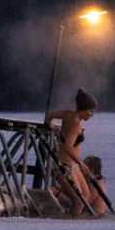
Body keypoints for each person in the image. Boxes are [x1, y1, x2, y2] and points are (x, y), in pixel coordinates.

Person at [43, 88, 101, 217]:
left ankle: (66, 213)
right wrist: (82, 164)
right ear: (84, 109)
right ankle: (71, 226)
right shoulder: (75, 124)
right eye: (91, 111)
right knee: (80, 202)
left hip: (72, 166)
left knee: (85, 197)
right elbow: (67, 147)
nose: (92, 115)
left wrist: (49, 124)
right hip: (63, 167)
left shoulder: (68, 114)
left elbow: (50, 116)